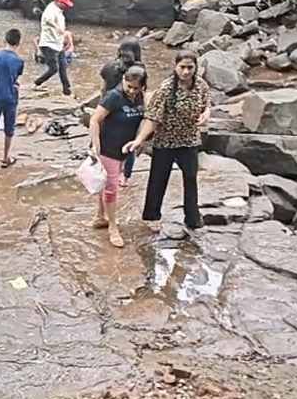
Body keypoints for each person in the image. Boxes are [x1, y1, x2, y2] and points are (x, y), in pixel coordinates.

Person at [125, 51, 209, 231]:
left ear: (195, 68)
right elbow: (153, 118)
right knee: (158, 179)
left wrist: (205, 114)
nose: (186, 72)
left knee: (191, 178)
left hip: (189, 140)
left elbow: (206, 105)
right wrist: (139, 139)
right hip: (166, 141)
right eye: (182, 67)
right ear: (175, 67)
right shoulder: (166, 89)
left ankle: (192, 218)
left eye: (190, 68)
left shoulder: (201, 85)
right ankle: (152, 215)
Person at [89, 66, 147, 248]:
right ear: (123, 81)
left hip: (125, 150)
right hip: (107, 148)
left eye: (136, 88)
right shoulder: (114, 96)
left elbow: (144, 120)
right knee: (111, 188)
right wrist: (95, 143)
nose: (131, 91)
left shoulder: (140, 98)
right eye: (128, 86)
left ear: (142, 87)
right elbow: (95, 119)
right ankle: (113, 227)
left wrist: (140, 140)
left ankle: (100, 216)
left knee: (106, 184)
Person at [100, 38, 144, 185]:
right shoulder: (139, 69)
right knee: (130, 141)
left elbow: (103, 82)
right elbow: (143, 89)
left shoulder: (110, 66)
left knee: (105, 139)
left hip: (108, 106)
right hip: (131, 109)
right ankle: (125, 176)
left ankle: (103, 169)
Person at [0, 28, 25, 172]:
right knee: (9, 128)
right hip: (11, 97)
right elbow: (15, 78)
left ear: (5, 40)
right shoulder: (19, 61)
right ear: (18, 43)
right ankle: (5, 158)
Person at [33, 0, 73, 95]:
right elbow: (47, 20)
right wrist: (57, 28)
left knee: (63, 66)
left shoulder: (59, 11)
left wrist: (65, 38)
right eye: (65, 4)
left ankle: (66, 89)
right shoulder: (50, 9)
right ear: (58, 1)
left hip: (58, 44)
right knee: (54, 68)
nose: (66, 6)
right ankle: (37, 83)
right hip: (48, 44)